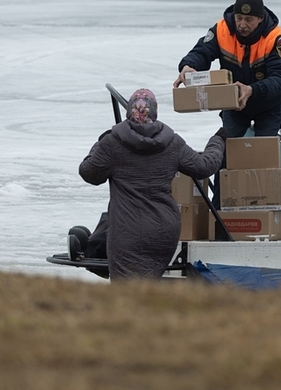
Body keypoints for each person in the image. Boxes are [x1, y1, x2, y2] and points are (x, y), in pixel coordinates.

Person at [79, 89, 225, 280]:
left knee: (126, 291)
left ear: (129, 111)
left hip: (127, 231)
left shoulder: (111, 143)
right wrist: (218, 140)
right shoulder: (172, 142)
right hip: (163, 231)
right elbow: (205, 167)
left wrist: (100, 143)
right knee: (148, 284)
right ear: (155, 111)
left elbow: (89, 173)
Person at [174, 0, 281, 137]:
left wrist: (252, 89)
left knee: (264, 147)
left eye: (249, 20)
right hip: (234, 101)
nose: (242, 24)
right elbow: (202, 52)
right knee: (228, 143)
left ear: (260, 19)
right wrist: (189, 65)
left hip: (268, 105)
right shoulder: (222, 30)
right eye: (239, 18)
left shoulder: (274, 38)